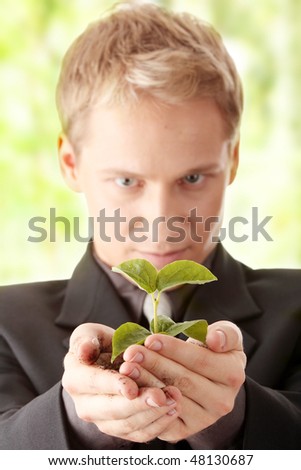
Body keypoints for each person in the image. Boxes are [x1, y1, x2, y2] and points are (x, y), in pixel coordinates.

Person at [0, 1, 300, 450]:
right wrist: (75, 419)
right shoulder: (7, 323)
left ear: (232, 159)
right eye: (126, 181)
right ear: (71, 164)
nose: (162, 223)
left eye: (193, 178)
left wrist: (236, 418)